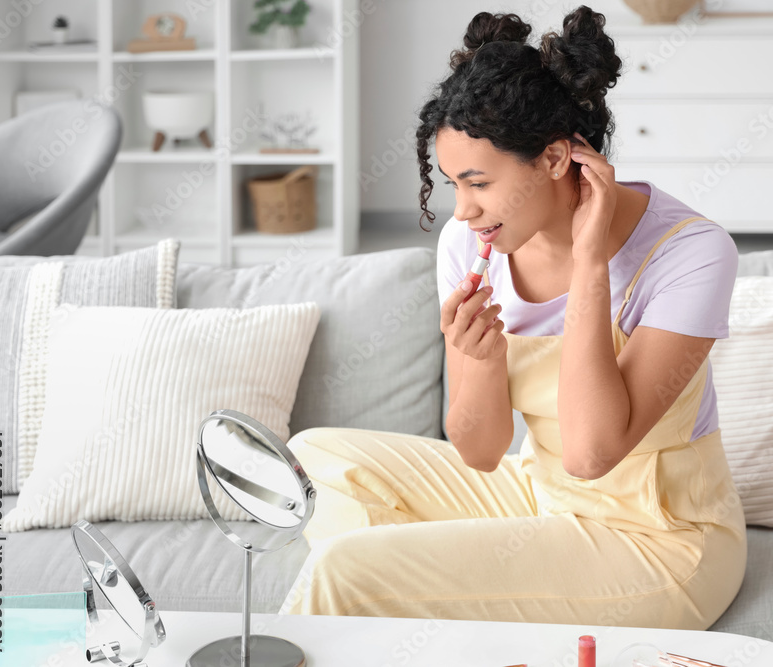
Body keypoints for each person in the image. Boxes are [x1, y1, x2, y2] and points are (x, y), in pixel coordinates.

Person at [280, 5, 746, 631]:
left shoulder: (690, 253)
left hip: (658, 541)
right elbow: (480, 450)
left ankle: (378, 593)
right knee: (313, 460)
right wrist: (481, 359)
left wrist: (589, 267)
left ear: (555, 160)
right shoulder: (471, 245)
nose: (463, 210)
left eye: (477, 183)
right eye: (451, 184)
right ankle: (403, 612)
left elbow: (588, 453)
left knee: (347, 570)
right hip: (537, 496)